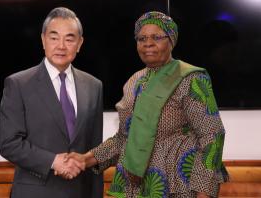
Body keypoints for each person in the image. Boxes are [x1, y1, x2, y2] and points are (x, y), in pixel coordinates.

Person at [67, 11, 228, 197]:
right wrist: (84, 159)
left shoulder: (191, 79)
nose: (148, 43)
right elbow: (124, 139)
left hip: (176, 185)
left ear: (171, 41)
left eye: (156, 37)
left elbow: (212, 135)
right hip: (135, 185)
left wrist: (203, 193)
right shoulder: (134, 82)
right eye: (141, 38)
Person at [0, 7, 103, 198]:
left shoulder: (93, 86)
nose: (61, 46)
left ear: (79, 44)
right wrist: (53, 161)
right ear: (43, 40)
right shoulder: (18, 84)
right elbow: (9, 143)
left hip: (80, 192)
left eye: (69, 39)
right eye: (54, 37)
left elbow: (94, 148)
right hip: (35, 192)